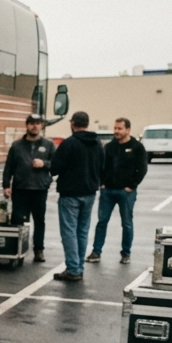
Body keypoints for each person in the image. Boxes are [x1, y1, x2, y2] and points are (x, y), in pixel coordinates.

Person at [50, 111, 104, 281]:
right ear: (87, 124)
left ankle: (73, 268)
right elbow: (103, 166)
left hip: (70, 193)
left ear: (73, 124)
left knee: (69, 231)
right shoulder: (97, 143)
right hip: (89, 192)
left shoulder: (69, 143)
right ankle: (78, 266)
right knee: (82, 231)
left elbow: (55, 167)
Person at [88, 117, 148, 265]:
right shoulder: (109, 147)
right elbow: (101, 165)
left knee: (127, 223)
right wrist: (101, 183)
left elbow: (142, 168)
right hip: (107, 191)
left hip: (126, 192)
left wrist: (132, 185)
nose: (116, 131)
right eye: (115, 128)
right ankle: (96, 252)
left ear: (128, 129)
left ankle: (126, 253)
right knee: (102, 222)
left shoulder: (137, 147)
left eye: (119, 128)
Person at [2, 112, 56, 262]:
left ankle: (39, 250)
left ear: (41, 126)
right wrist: (6, 185)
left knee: (39, 221)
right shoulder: (17, 146)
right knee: (18, 221)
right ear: (27, 125)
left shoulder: (49, 145)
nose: (35, 126)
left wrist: (44, 164)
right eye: (32, 123)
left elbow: (57, 164)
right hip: (21, 188)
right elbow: (9, 167)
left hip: (39, 189)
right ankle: (16, 250)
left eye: (38, 123)